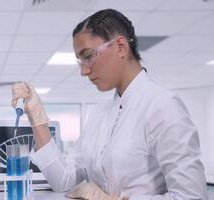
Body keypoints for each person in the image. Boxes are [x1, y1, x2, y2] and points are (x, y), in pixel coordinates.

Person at [11, 9, 207, 200]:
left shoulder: (163, 107)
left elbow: (192, 196)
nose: (84, 71)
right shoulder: (99, 112)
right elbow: (64, 180)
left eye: (88, 56)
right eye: (80, 61)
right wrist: (37, 117)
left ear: (121, 47)